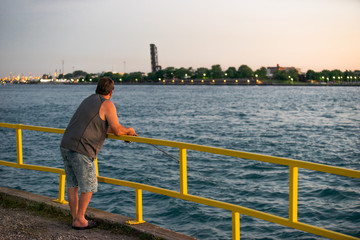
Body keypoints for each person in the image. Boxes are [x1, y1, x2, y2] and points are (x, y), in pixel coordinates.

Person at [60, 77, 137, 230]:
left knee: (72, 184)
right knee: (89, 185)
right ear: (112, 91)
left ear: (97, 88)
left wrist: (121, 132)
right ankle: (80, 219)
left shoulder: (88, 100)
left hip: (66, 145)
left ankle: (75, 217)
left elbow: (99, 125)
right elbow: (116, 129)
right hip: (81, 149)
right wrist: (129, 131)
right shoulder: (107, 104)